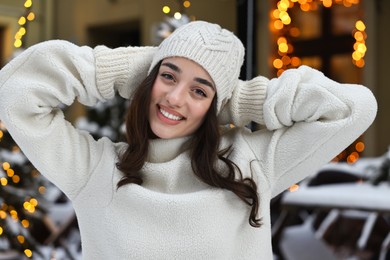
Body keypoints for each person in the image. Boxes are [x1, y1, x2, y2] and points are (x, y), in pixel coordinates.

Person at [0, 21, 377, 259]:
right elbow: (17, 91)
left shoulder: (251, 163)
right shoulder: (94, 169)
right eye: (168, 76)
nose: (175, 98)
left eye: (199, 91)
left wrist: (239, 101)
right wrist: (122, 72)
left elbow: (354, 108)